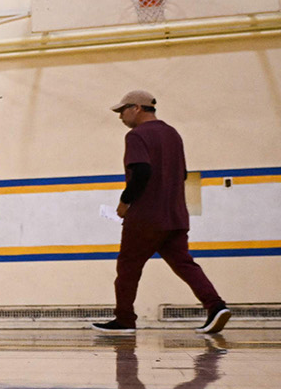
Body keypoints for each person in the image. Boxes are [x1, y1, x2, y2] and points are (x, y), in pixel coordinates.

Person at [91, 90, 231, 337]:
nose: (120, 117)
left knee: (128, 268)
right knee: (185, 264)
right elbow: (183, 175)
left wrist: (124, 203)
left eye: (122, 111)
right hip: (175, 216)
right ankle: (216, 306)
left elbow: (142, 172)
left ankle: (124, 319)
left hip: (145, 218)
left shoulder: (136, 135)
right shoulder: (173, 134)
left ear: (137, 108)